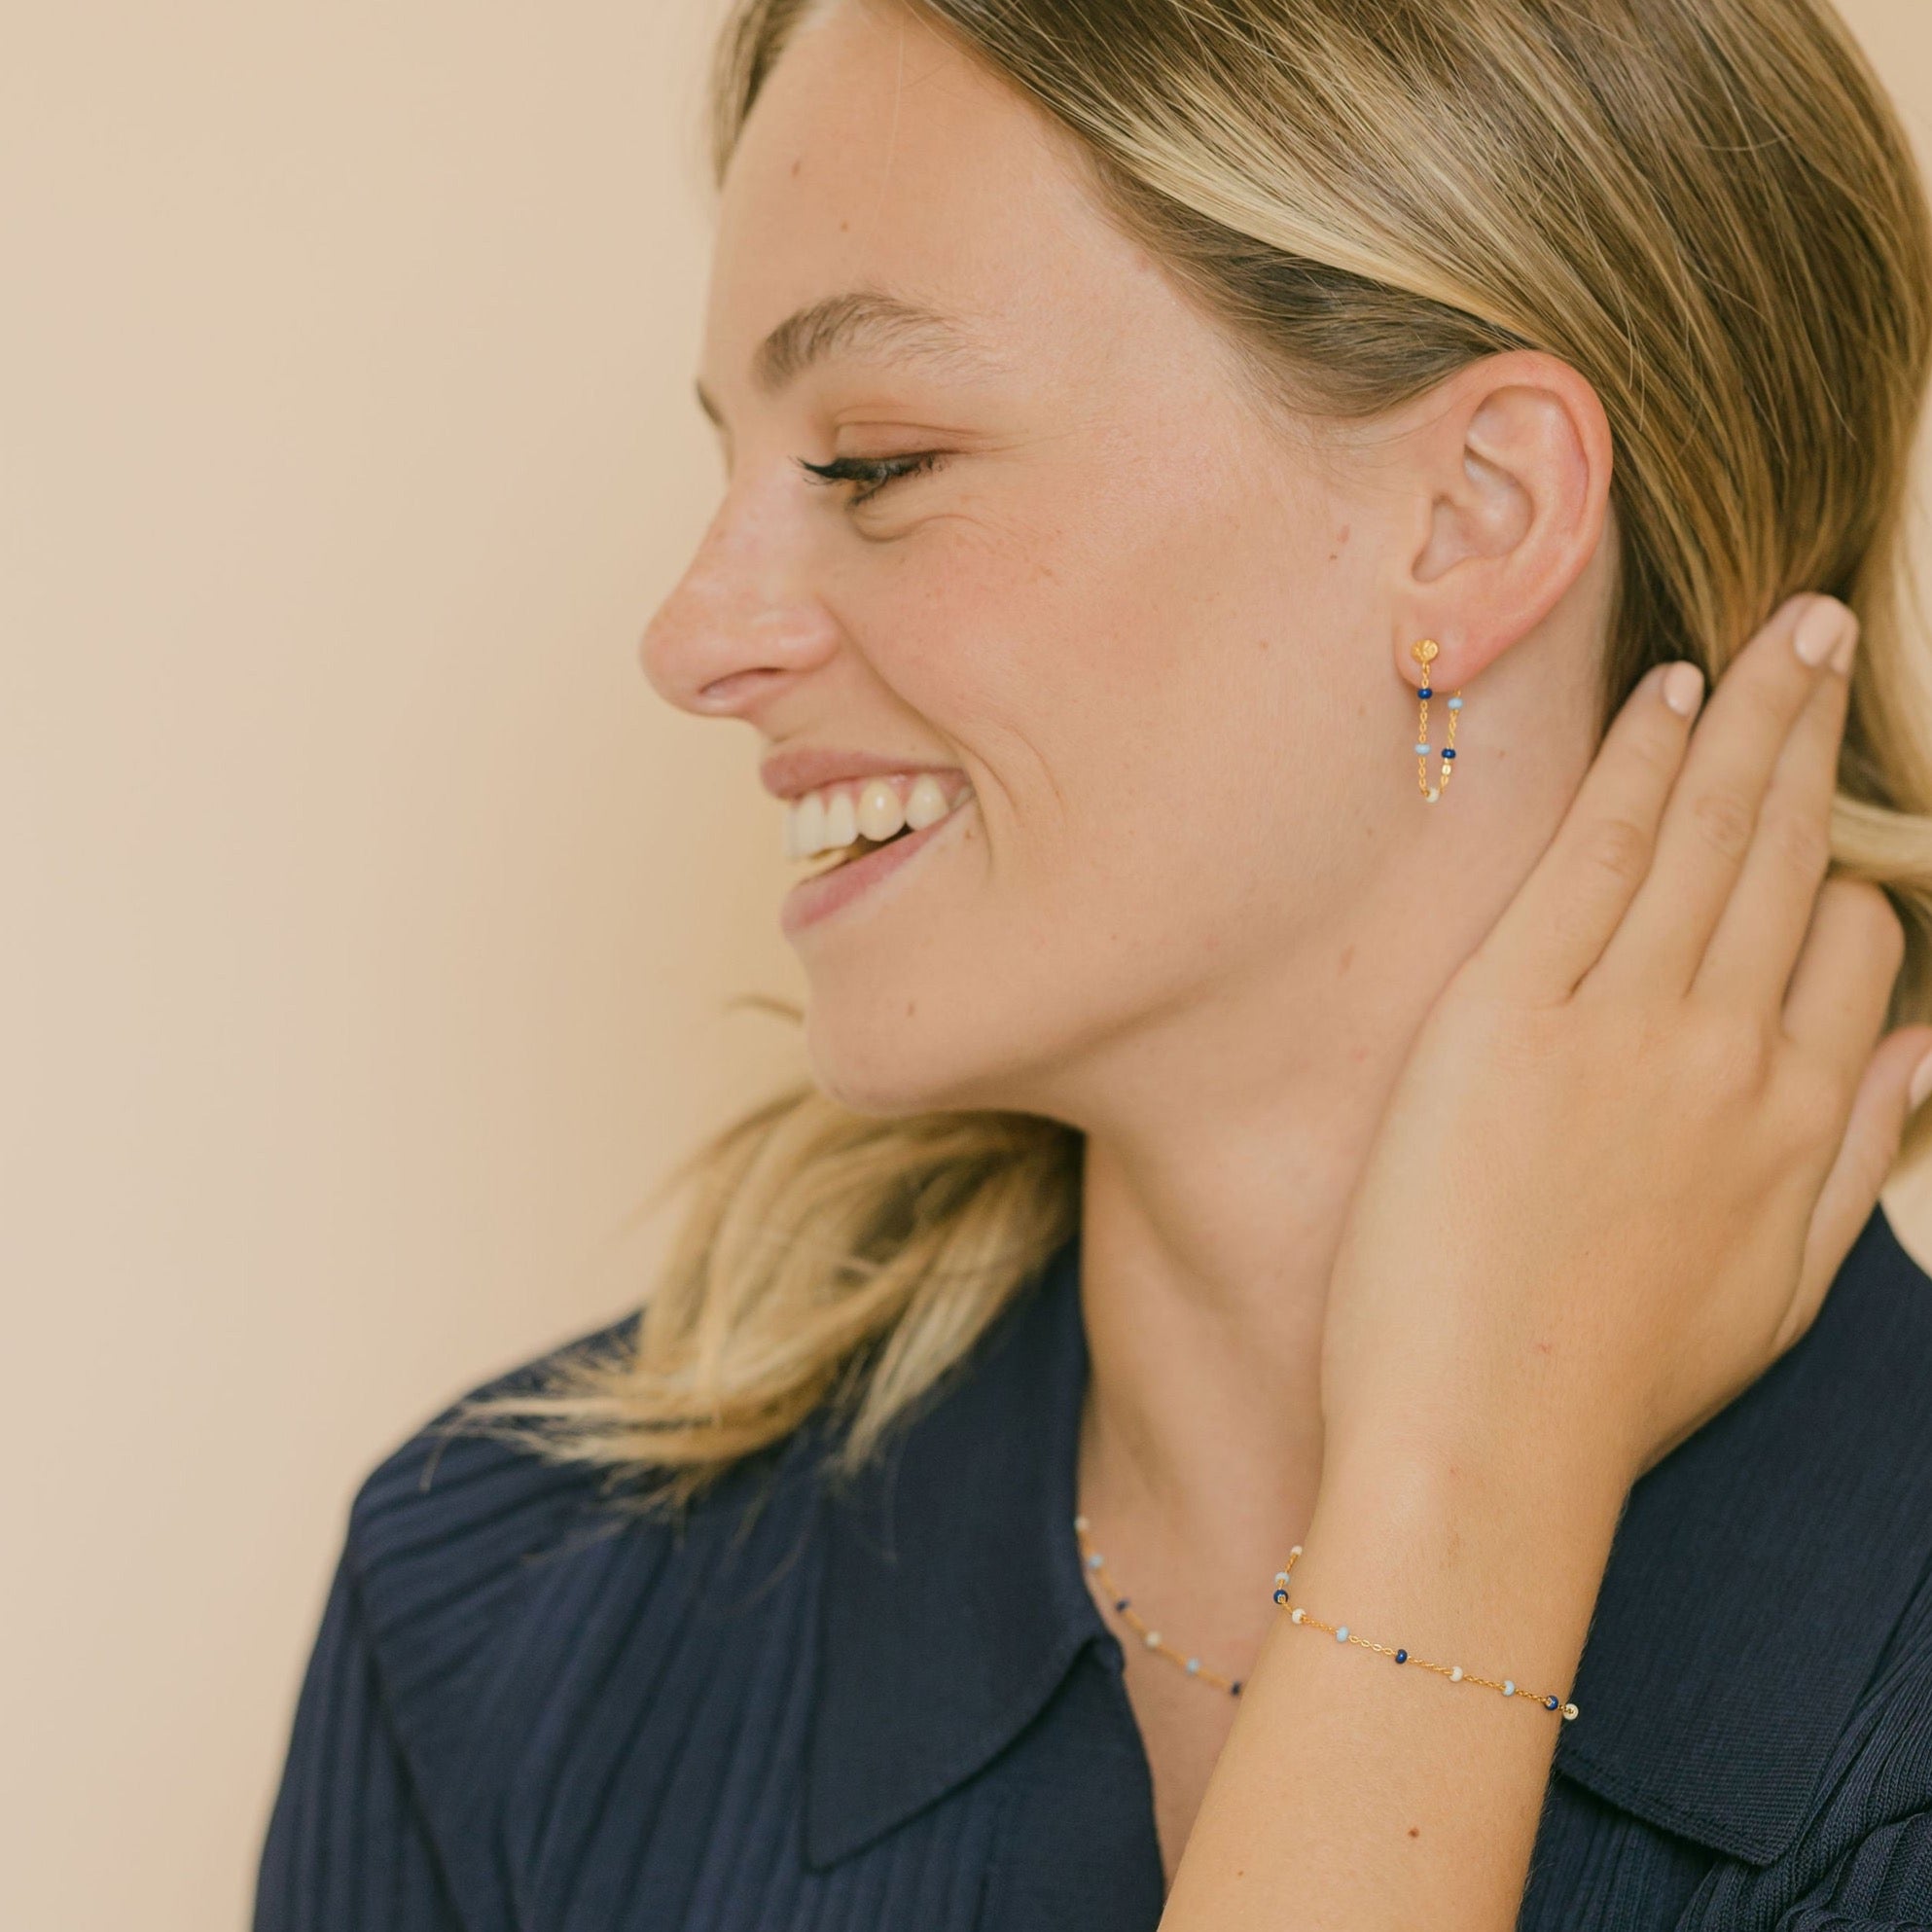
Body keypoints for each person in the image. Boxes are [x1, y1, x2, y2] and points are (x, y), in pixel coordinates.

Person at [254, 1, 1932, 1926]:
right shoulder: (501, 1627)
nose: (692, 635)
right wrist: (1455, 1509)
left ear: (1475, 517)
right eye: (739, 464)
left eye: (876, 456)